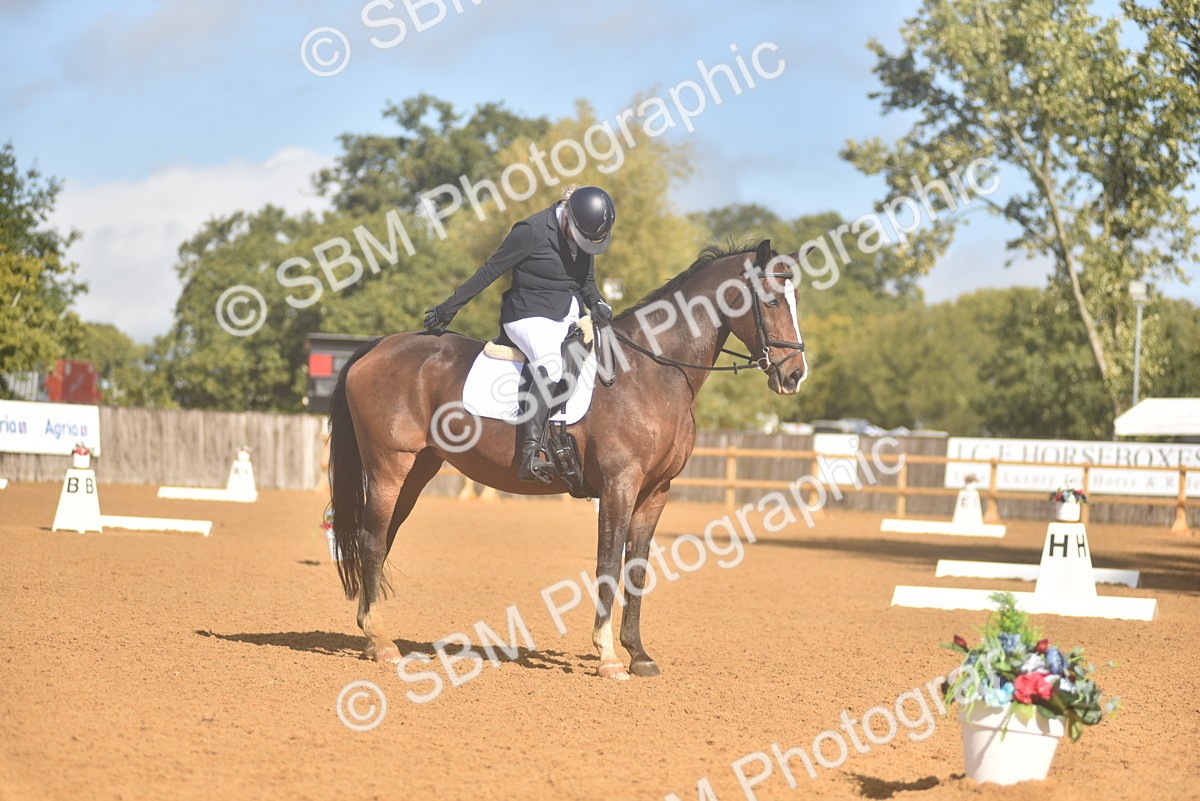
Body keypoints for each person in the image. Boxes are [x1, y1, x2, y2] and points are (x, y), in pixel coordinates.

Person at [423, 185, 616, 483]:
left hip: (567, 315)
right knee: (552, 365)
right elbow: (489, 271)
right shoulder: (530, 231)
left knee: (604, 354)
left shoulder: (583, 233)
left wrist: (599, 303)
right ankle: (531, 452)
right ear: (568, 215)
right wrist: (449, 308)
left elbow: (586, 283)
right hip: (528, 315)